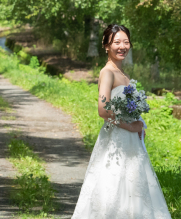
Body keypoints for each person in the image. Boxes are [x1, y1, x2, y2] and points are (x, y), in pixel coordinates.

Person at [72, 24, 171, 219]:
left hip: (132, 141)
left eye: (126, 42)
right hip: (116, 141)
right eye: (117, 42)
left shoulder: (124, 75)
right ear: (106, 46)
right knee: (113, 186)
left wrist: (138, 123)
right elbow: (103, 110)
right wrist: (130, 126)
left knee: (134, 187)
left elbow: (124, 107)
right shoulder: (107, 72)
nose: (122, 46)